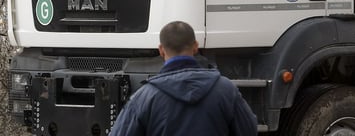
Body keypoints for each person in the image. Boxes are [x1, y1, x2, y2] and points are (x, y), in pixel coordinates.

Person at [109, 21, 257, 136]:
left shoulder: (144, 97)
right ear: (195, 47)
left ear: (161, 50)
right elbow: (248, 130)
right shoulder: (226, 90)